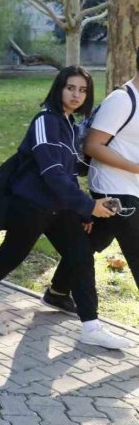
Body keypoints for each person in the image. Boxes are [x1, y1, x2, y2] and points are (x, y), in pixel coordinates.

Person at [0, 66, 130, 350]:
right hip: (31, 205)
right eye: (70, 88)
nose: (76, 94)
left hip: (60, 209)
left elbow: (70, 173)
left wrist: (81, 211)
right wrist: (87, 206)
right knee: (12, 254)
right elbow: (51, 172)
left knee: (81, 255)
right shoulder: (45, 120)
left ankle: (91, 326)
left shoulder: (69, 124)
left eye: (82, 90)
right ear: (59, 88)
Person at [50, 63, 139, 299]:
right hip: (115, 192)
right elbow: (93, 145)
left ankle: (58, 291)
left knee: (92, 241)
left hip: (132, 188)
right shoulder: (122, 100)